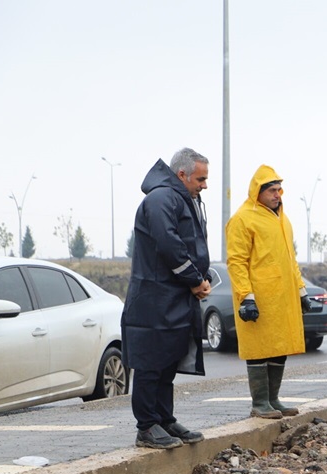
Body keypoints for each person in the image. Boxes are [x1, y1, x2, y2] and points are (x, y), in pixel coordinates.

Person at [122, 148, 212, 450]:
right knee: (151, 363)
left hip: (175, 299)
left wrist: (204, 277)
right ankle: (147, 426)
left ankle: (164, 418)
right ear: (182, 174)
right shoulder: (161, 199)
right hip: (154, 300)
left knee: (169, 361)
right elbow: (169, 245)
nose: (204, 185)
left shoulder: (186, 200)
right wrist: (195, 280)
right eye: (201, 179)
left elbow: (193, 246)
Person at [225, 166, 308, 419]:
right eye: (271, 190)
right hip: (259, 296)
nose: (277, 195)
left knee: (279, 346)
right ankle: (259, 403)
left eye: (279, 190)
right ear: (257, 192)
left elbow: (290, 259)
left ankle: (273, 400)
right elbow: (236, 261)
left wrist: (301, 290)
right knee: (259, 348)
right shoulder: (243, 219)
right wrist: (246, 296)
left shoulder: (283, 219)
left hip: (282, 296)